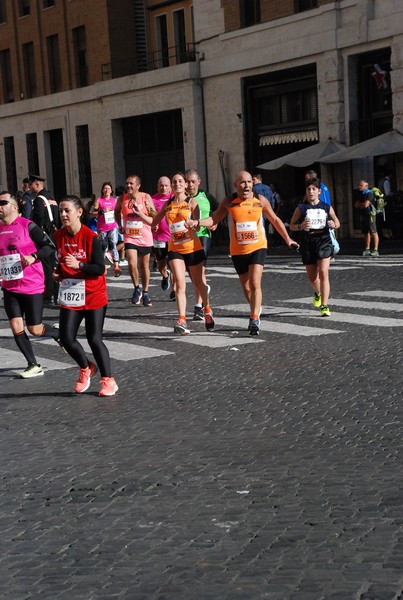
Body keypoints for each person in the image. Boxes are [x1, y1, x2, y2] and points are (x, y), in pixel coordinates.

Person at [187, 170, 297, 335]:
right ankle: (255, 307)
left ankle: (254, 317)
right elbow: (214, 219)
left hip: (258, 246)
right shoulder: (229, 201)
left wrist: (288, 239)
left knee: (254, 283)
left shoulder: (260, 200)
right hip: (238, 251)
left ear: (253, 183)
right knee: (246, 287)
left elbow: (274, 219)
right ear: (236, 185)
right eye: (242, 182)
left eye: (248, 182)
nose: (246, 186)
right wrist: (198, 222)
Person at [53, 195, 118, 397]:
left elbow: (99, 268)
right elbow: (61, 261)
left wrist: (80, 265)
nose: (63, 214)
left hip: (93, 294)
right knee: (66, 337)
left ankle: (108, 380)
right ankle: (86, 367)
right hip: (71, 292)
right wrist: (59, 273)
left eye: (67, 211)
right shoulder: (58, 235)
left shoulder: (91, 237)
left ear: (79, 212)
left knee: (94, 338)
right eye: (61, 211)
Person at [138, 172, 214, 335]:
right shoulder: (168, 204)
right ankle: (182, 319)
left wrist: (193, 224)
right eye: (175, 182)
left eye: (180, 181)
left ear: (185, 185)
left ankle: (207, 309)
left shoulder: (192, 203)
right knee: (179, 284)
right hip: (175, 250)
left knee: (199, 284)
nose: (177, 183)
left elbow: (198, 225)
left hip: (193, 249)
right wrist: (140, 213)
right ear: (172, 186)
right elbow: (154, 221)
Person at [0, 191, 61, 378]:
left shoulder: (28, 226)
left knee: (34, 329)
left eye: (3, 203)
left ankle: (58, 334)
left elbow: (49, 246)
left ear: (15, 207)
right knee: (16, 326)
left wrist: (33, 256)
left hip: (31, 284)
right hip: (10, 286)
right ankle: (33, 364)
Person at [289, 178, 340, 317]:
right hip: (308, 242)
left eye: (313, 189)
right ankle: (317, 293)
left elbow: (337, 221)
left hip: (323, 241)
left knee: (324, 272)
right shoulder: (301, 208)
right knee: (313, 278)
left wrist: (334, 224)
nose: (311, 191)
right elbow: (292, 225)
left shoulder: (326, 206)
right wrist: (300, 226)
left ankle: (325, 306)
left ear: (319, 191)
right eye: (308, 189)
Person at [114, 175, 156, 307]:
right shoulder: (122, 198)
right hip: (130, 236)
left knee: (144, 266)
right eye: (127, 183)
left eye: (131, 184)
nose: (128, 186)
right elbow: (116, 212)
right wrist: (119, 225)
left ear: (138, 186)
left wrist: (149, 210)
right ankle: (137, 288)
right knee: (132, 263)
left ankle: (146, 292)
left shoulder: (145, 197)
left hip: (145, 236)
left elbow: (155, 215)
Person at [185, 168, 218, 320]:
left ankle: (200, 306)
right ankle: (203, 289)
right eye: (187, 181)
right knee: (193, 275)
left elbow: (219, 210)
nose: (190, 184)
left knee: (200, 271)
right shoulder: (181, 199)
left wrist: (215, 222)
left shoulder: (206, 196)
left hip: (203, 235)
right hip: (186, 239)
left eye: (193, 181)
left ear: (199, 182)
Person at [30, 173, 60, 304]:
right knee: (54, 264)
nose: (30, 187)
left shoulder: (38, 199)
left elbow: (38, 219)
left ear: (37, 184)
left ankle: (48, 294)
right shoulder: (51, 197)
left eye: (31, 185)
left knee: (46, 265)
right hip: (53, 233)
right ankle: (56, 291)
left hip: (44, 235)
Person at [92, 182, 121, 277]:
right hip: (102, 227)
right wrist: (101, 212)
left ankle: (116, 266)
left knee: (113, 244)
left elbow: (119, 212)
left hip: (112, 226)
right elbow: (92, 213)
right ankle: (103, 266)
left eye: (108, 188)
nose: (107, 190)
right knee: (103, 246)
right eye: (105, 188)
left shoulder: (114, 201)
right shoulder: (99, 200)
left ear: (111, 190)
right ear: (102, 190)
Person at [151, 176, 173, 293]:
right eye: (161, 185)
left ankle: (175, 290)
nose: (163, 188)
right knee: (160, 263)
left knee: (174, 264)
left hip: (173, 237)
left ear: (170, 187)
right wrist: (152, 224)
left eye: (166, 185)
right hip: (158, 237)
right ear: (157, 186)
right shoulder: (152, 199)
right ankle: (165, 276)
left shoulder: (174, 198)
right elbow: (148, 216)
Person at [354, 180, 379, 256]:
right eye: (359, 185)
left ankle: (375, 250)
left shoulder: (369, 194)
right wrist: (362, 204)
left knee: (373, 232)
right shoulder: (360, 194)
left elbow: (366, 205)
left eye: (361, 185)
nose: (359, 187)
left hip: (370, 215)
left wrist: (361, 205)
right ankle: (367, 248)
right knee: (366, 232)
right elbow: (356, 205)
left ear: (366, 186)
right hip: (363, 215)